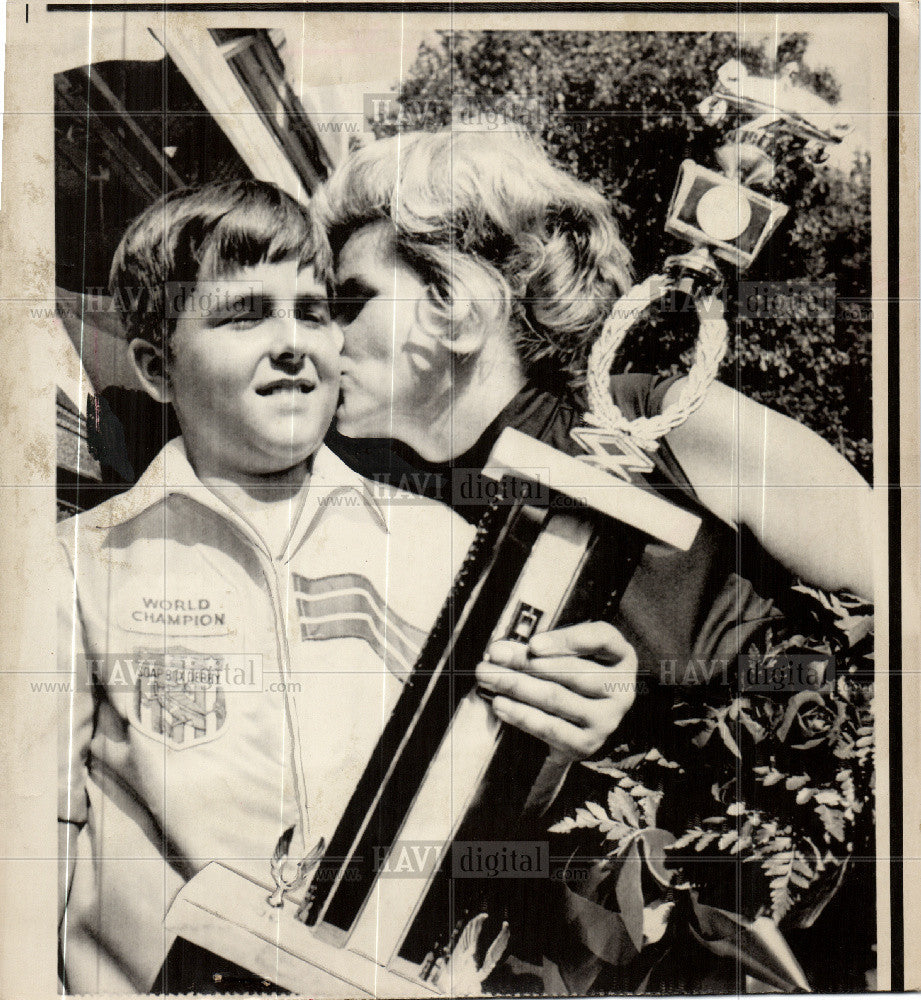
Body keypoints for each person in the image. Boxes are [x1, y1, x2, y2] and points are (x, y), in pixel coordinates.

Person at [313, 127, 874, 990]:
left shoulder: (672, 424)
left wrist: (648, 712)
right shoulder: (370, 507)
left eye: (347, 303)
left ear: (456, 302)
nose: (319, 338)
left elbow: (898, 636)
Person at [57, 179, 636, 994]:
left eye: (315, 309)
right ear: (156, 368)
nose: (293, 343)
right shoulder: (76, 566)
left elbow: (497, 806)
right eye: (243, 313)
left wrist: (577, 720)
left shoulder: (446, 548)